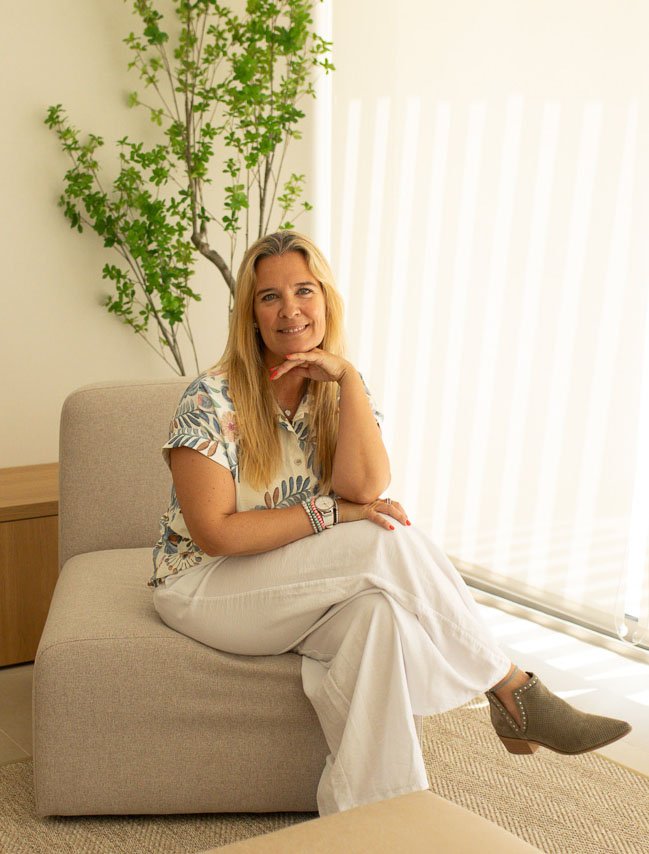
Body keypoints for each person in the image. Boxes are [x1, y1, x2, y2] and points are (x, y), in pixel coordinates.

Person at [149, 230, 631, 816]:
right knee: (377, 541)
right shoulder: (211, 397)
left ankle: (375, 817)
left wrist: (348, 379)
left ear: (326, 299)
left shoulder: (336, 390)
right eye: (269, 297)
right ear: (251, 314)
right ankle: (512, 688)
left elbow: (364, 489)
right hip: (204, 586)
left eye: (304, 290)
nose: (290, 309)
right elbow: (216, 533)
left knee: (376, 616)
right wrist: (333, 513)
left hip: (286, 586)